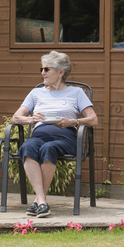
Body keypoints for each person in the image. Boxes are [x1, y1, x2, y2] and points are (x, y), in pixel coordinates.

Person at [11, 51, 98, 218]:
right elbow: (16, 117)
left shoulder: (77, 93)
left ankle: (38, 202)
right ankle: (42, 201)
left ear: (61, 72)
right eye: (41, 69)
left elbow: (93, 119)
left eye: (47, 69)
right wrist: (31, 120)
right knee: (27, 146)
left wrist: (73, 122)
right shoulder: (36, 93)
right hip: (39, 135)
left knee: (48, 148)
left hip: (65, 136)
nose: (42, 72)